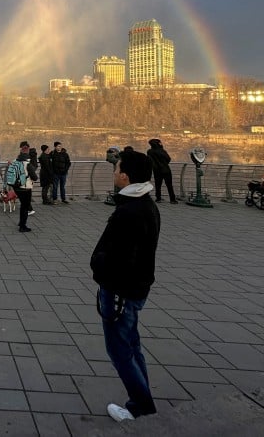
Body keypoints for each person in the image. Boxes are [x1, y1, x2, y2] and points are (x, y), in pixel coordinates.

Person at [91, 149, 161, 423]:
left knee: (119, 350)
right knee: (131, 345)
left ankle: (141, 407)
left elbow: (119, 260)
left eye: (115, 169)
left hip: (120, 292)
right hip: (136, 290)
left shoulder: (129, 212)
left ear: (125, 176)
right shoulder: (147, 205)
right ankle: (142, 399)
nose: (113, 173)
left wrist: (97, 262)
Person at [8, 141, 38, 232]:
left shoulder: (15, 161)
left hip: (16, 186)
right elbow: (35, 177)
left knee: (23, 205)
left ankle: (21, 222)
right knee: (25, 206)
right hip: (25, 187)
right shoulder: (28, 164)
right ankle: (22, 226)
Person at [147, 139, 178, 204]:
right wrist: (164, 163)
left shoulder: (149, 152)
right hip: (166, 170)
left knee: (158, 185)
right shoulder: (162, 151)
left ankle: (158, 198)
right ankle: (172, 199)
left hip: (157, 171)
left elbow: (149, 161)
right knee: (169, 185)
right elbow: (168, 159)